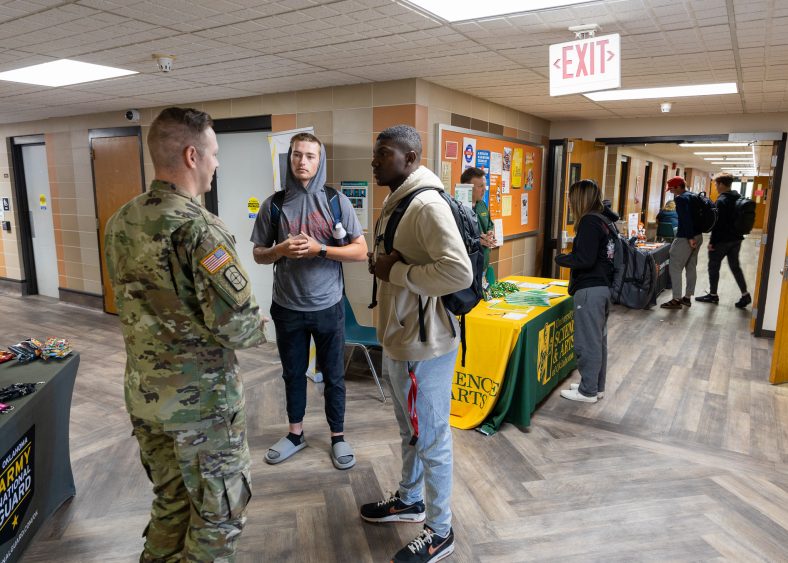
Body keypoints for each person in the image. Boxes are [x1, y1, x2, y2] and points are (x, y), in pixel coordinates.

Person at [105, 107, 266, 562]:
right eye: (214, 154)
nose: (218, 163)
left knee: (171, 503)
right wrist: (258, 324)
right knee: (219, 516)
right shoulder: (201, 230)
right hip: (203, 408)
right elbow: (237, 325)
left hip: (145, 397)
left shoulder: (121, 220)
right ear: (192, 155)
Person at [360, 125, 472, 563]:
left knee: (432, 436)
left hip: (423, 344)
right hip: (402, 337)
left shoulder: (424, 204)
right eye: (375, 152)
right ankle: (410, 499)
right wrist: (386, 266)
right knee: (413, 430)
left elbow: (457, 272)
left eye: (383, 153)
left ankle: (440, 531)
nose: (374, 160)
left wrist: (398, 274)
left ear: (410, 157)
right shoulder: (398, 199)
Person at [251, 132, 367, 470]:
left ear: (321, 161)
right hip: (287, 307)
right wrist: (279, 250)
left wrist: (321, 249)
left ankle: (337, 437)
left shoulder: (336, 201)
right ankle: (295, 434)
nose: (303, 162)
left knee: (333, 375)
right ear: (290, 159)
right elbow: (259, 254)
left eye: (310, 156)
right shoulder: (273, 204)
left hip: (329, 306)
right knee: (292, 374)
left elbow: (360, 251)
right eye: (297, 155)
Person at [554, 179, 612, 404]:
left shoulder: (588, 222)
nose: (569, 202)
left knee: (587, 342)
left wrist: (562, 258)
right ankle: (595, 386)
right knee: (598, 341)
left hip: (590, 290)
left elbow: (585, 259)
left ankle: (587, 391)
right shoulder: (604, 220)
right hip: (603, 287)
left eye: (571, 197)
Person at [695, 173, 751, 308]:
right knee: (735, 267)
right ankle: (745, 294)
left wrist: (712, 242)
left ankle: (713, 295)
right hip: (736, 239)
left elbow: (718, 224)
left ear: (721, 184)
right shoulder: (738, 197)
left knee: (713, 266)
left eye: (716, 184)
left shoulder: (722, 200)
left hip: (722, 241)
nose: (716, 186)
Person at [661, 176, 703, 309]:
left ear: (679, 186)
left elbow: (686, 220)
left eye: (672, 189)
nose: (671, 192)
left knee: (675, 266)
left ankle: (676, 299)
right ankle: (687, 297)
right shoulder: (694, 196)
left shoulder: (681, 199)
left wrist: (689, 238)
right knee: (691, 266)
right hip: (698, 236)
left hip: (686, 237)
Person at [461, 166, 496, 275]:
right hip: (467, 268)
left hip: (483, 264)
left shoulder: (482, 205)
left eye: (485, 185)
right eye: (480, 186)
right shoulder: (458, 208)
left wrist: (491, 233)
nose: (484, 189)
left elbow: (490, 224)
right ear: (467, 187)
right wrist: (478, 241)